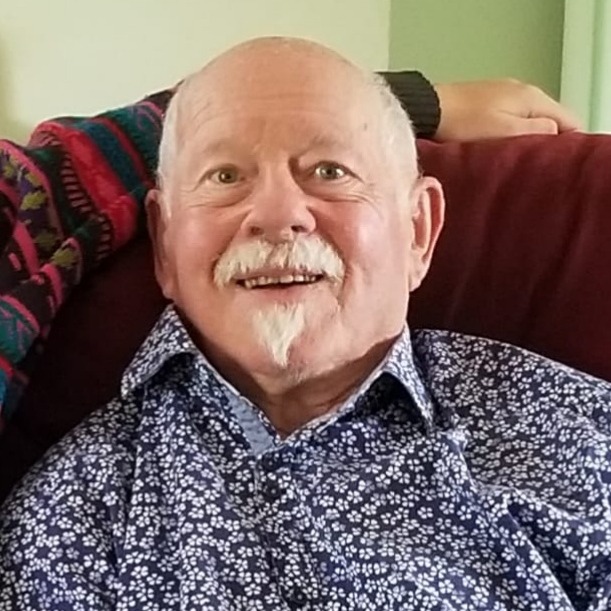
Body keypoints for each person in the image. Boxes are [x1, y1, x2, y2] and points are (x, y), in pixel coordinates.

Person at [0, 37, 605, 611]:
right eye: (225, 176)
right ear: (164, 245)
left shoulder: (576, 434)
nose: (277, 214)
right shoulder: (74, 514)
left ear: (418, 230)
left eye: (330, 171)